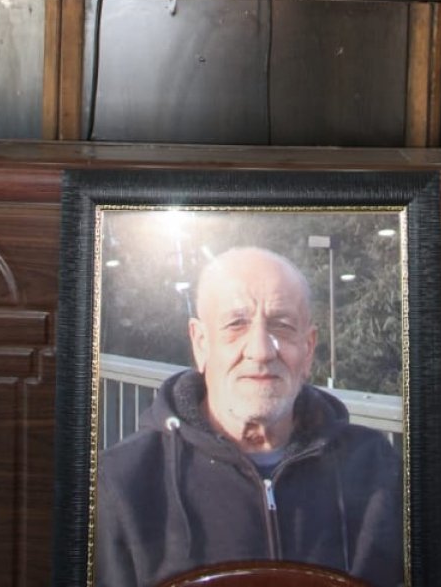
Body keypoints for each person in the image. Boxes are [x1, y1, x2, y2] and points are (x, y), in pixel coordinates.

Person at [94, 247, 404, 587]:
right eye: (236, 324)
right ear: (201, 343)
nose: (261, 350)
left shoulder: (377, 469)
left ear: (308, 348)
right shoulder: (121, 486)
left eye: (282, 326)